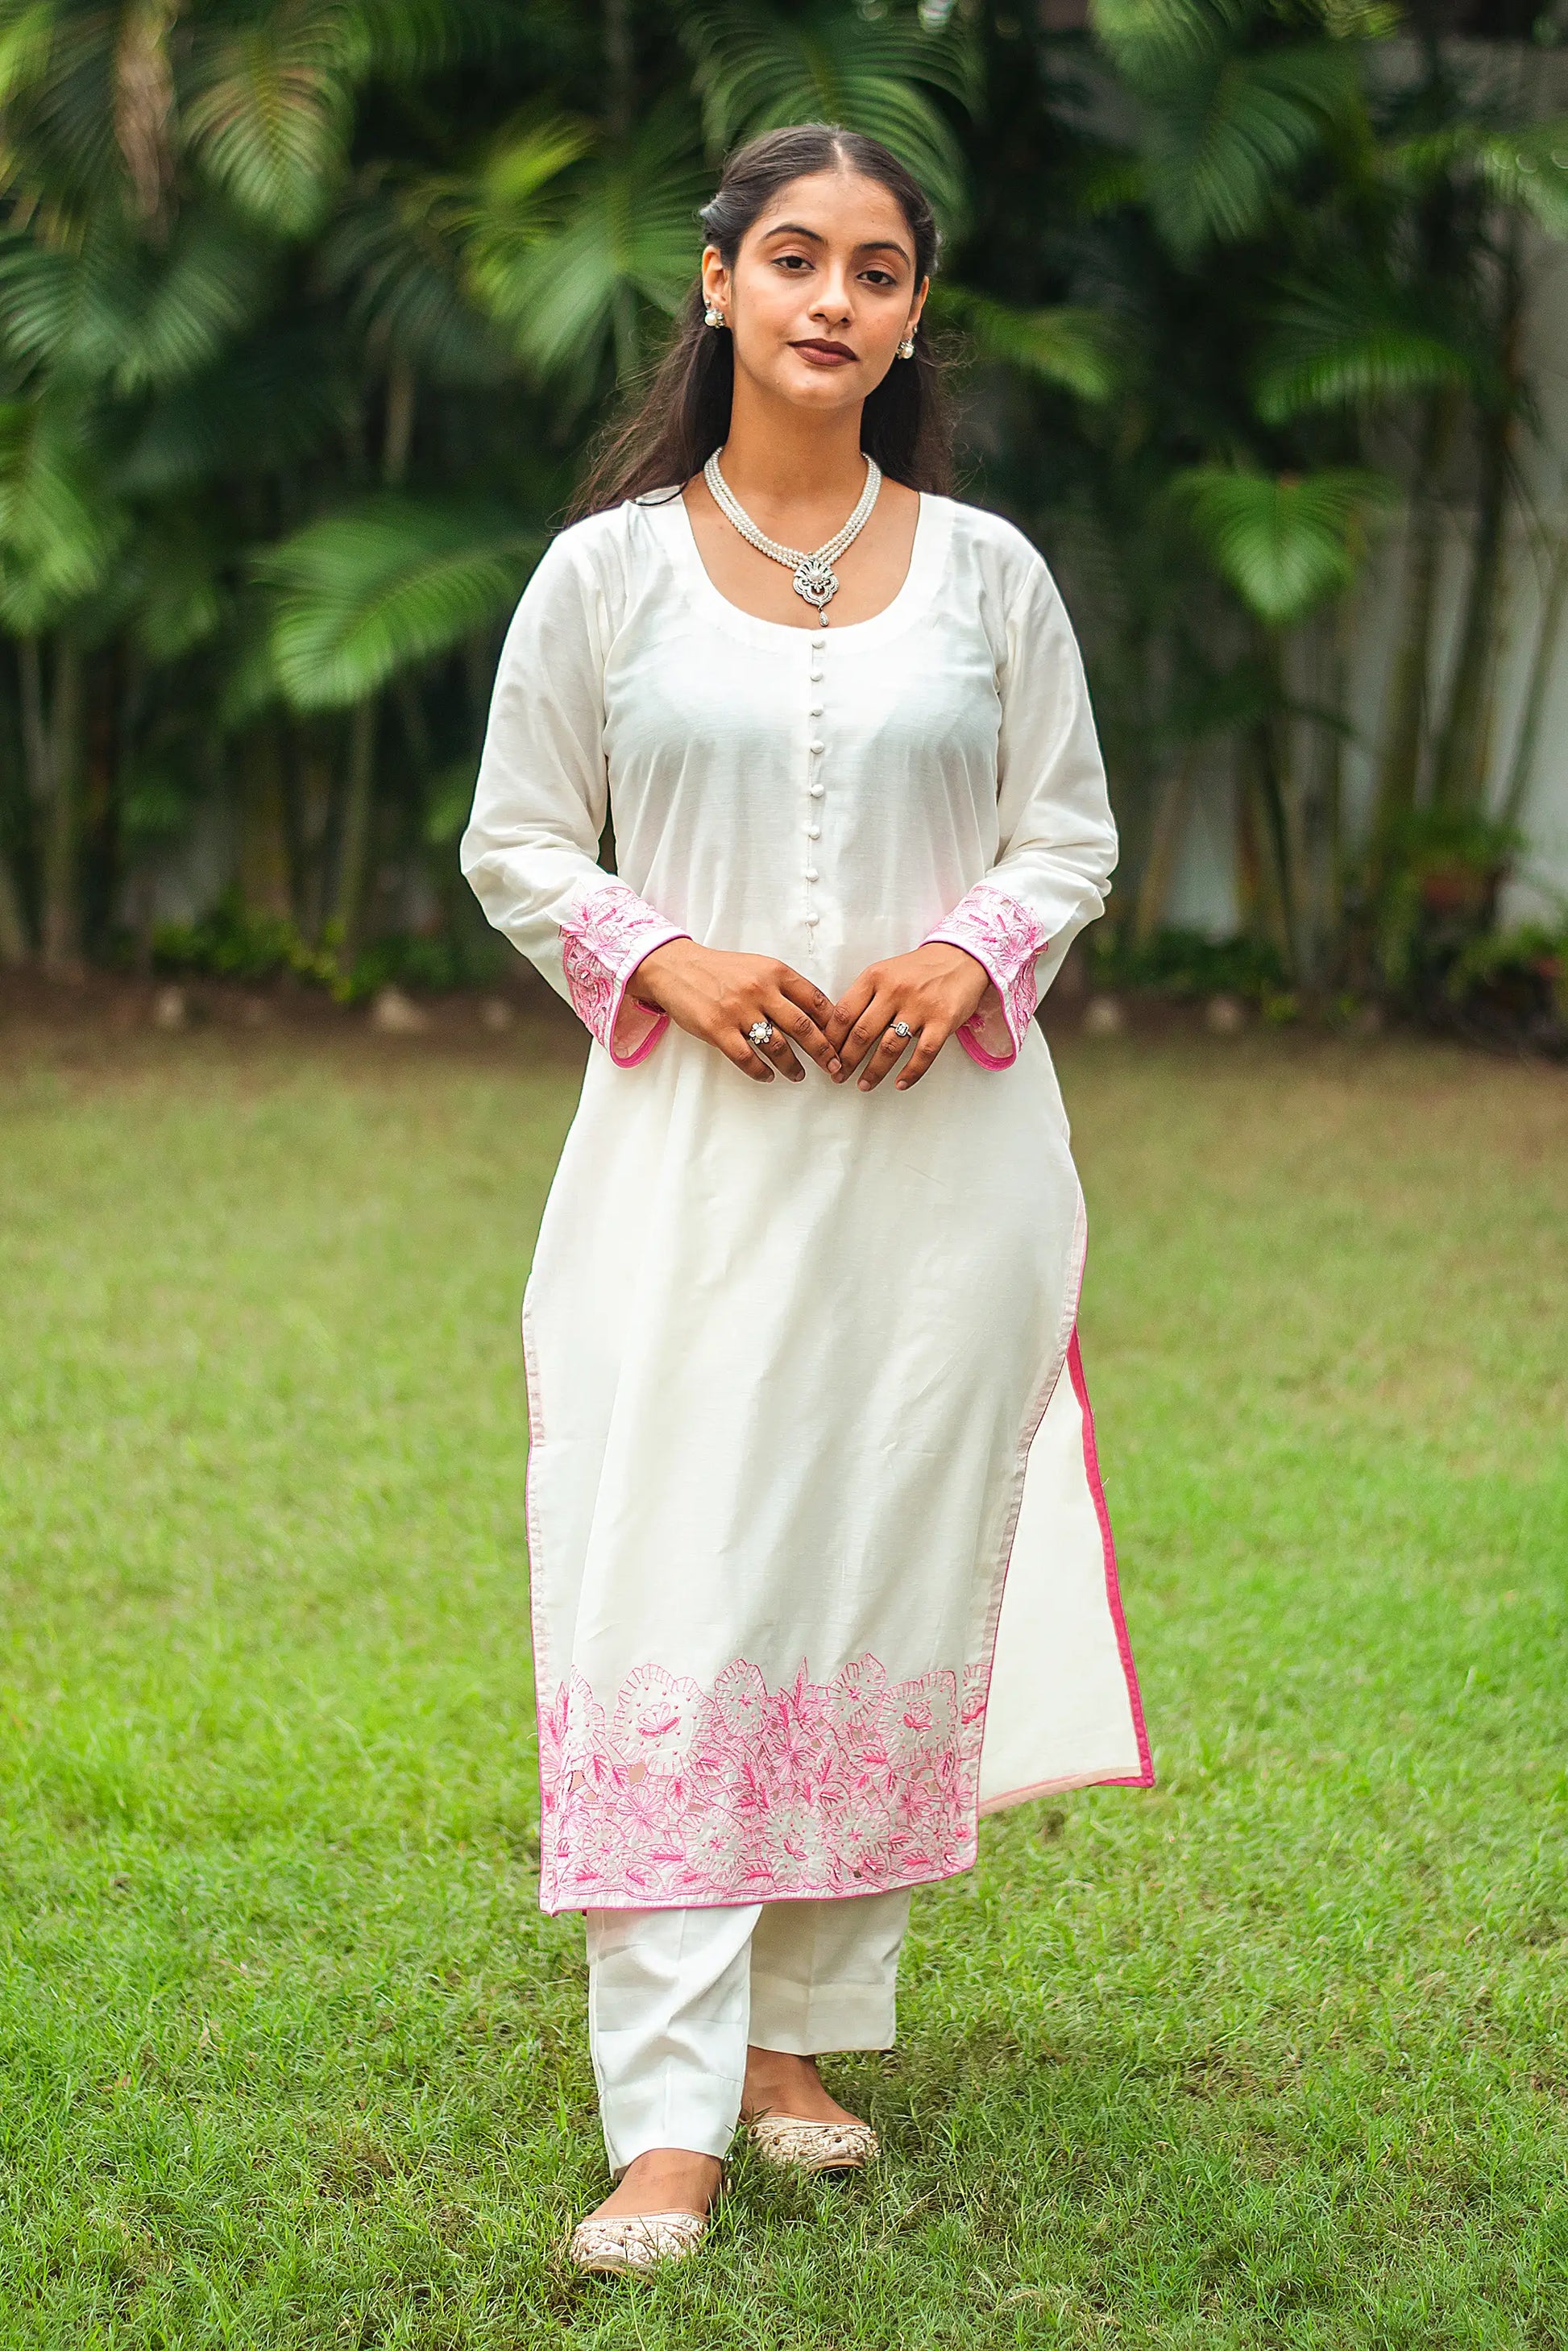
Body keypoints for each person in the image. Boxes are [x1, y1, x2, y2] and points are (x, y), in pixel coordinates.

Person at [460, 122, 1152, 2277]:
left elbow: (1067, 839)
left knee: (866, 1567)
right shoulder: (603, 579)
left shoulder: (989, 574)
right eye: (790, 259)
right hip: (687, 1164)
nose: (830, 299)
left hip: (943, 1172)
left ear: (911, 313)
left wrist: (966, 955)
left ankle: (792, 2043)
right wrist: (655, 954)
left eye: (873, 268)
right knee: (672, 1574)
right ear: (714, 287)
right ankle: (657, 2117)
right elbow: (516, 844)